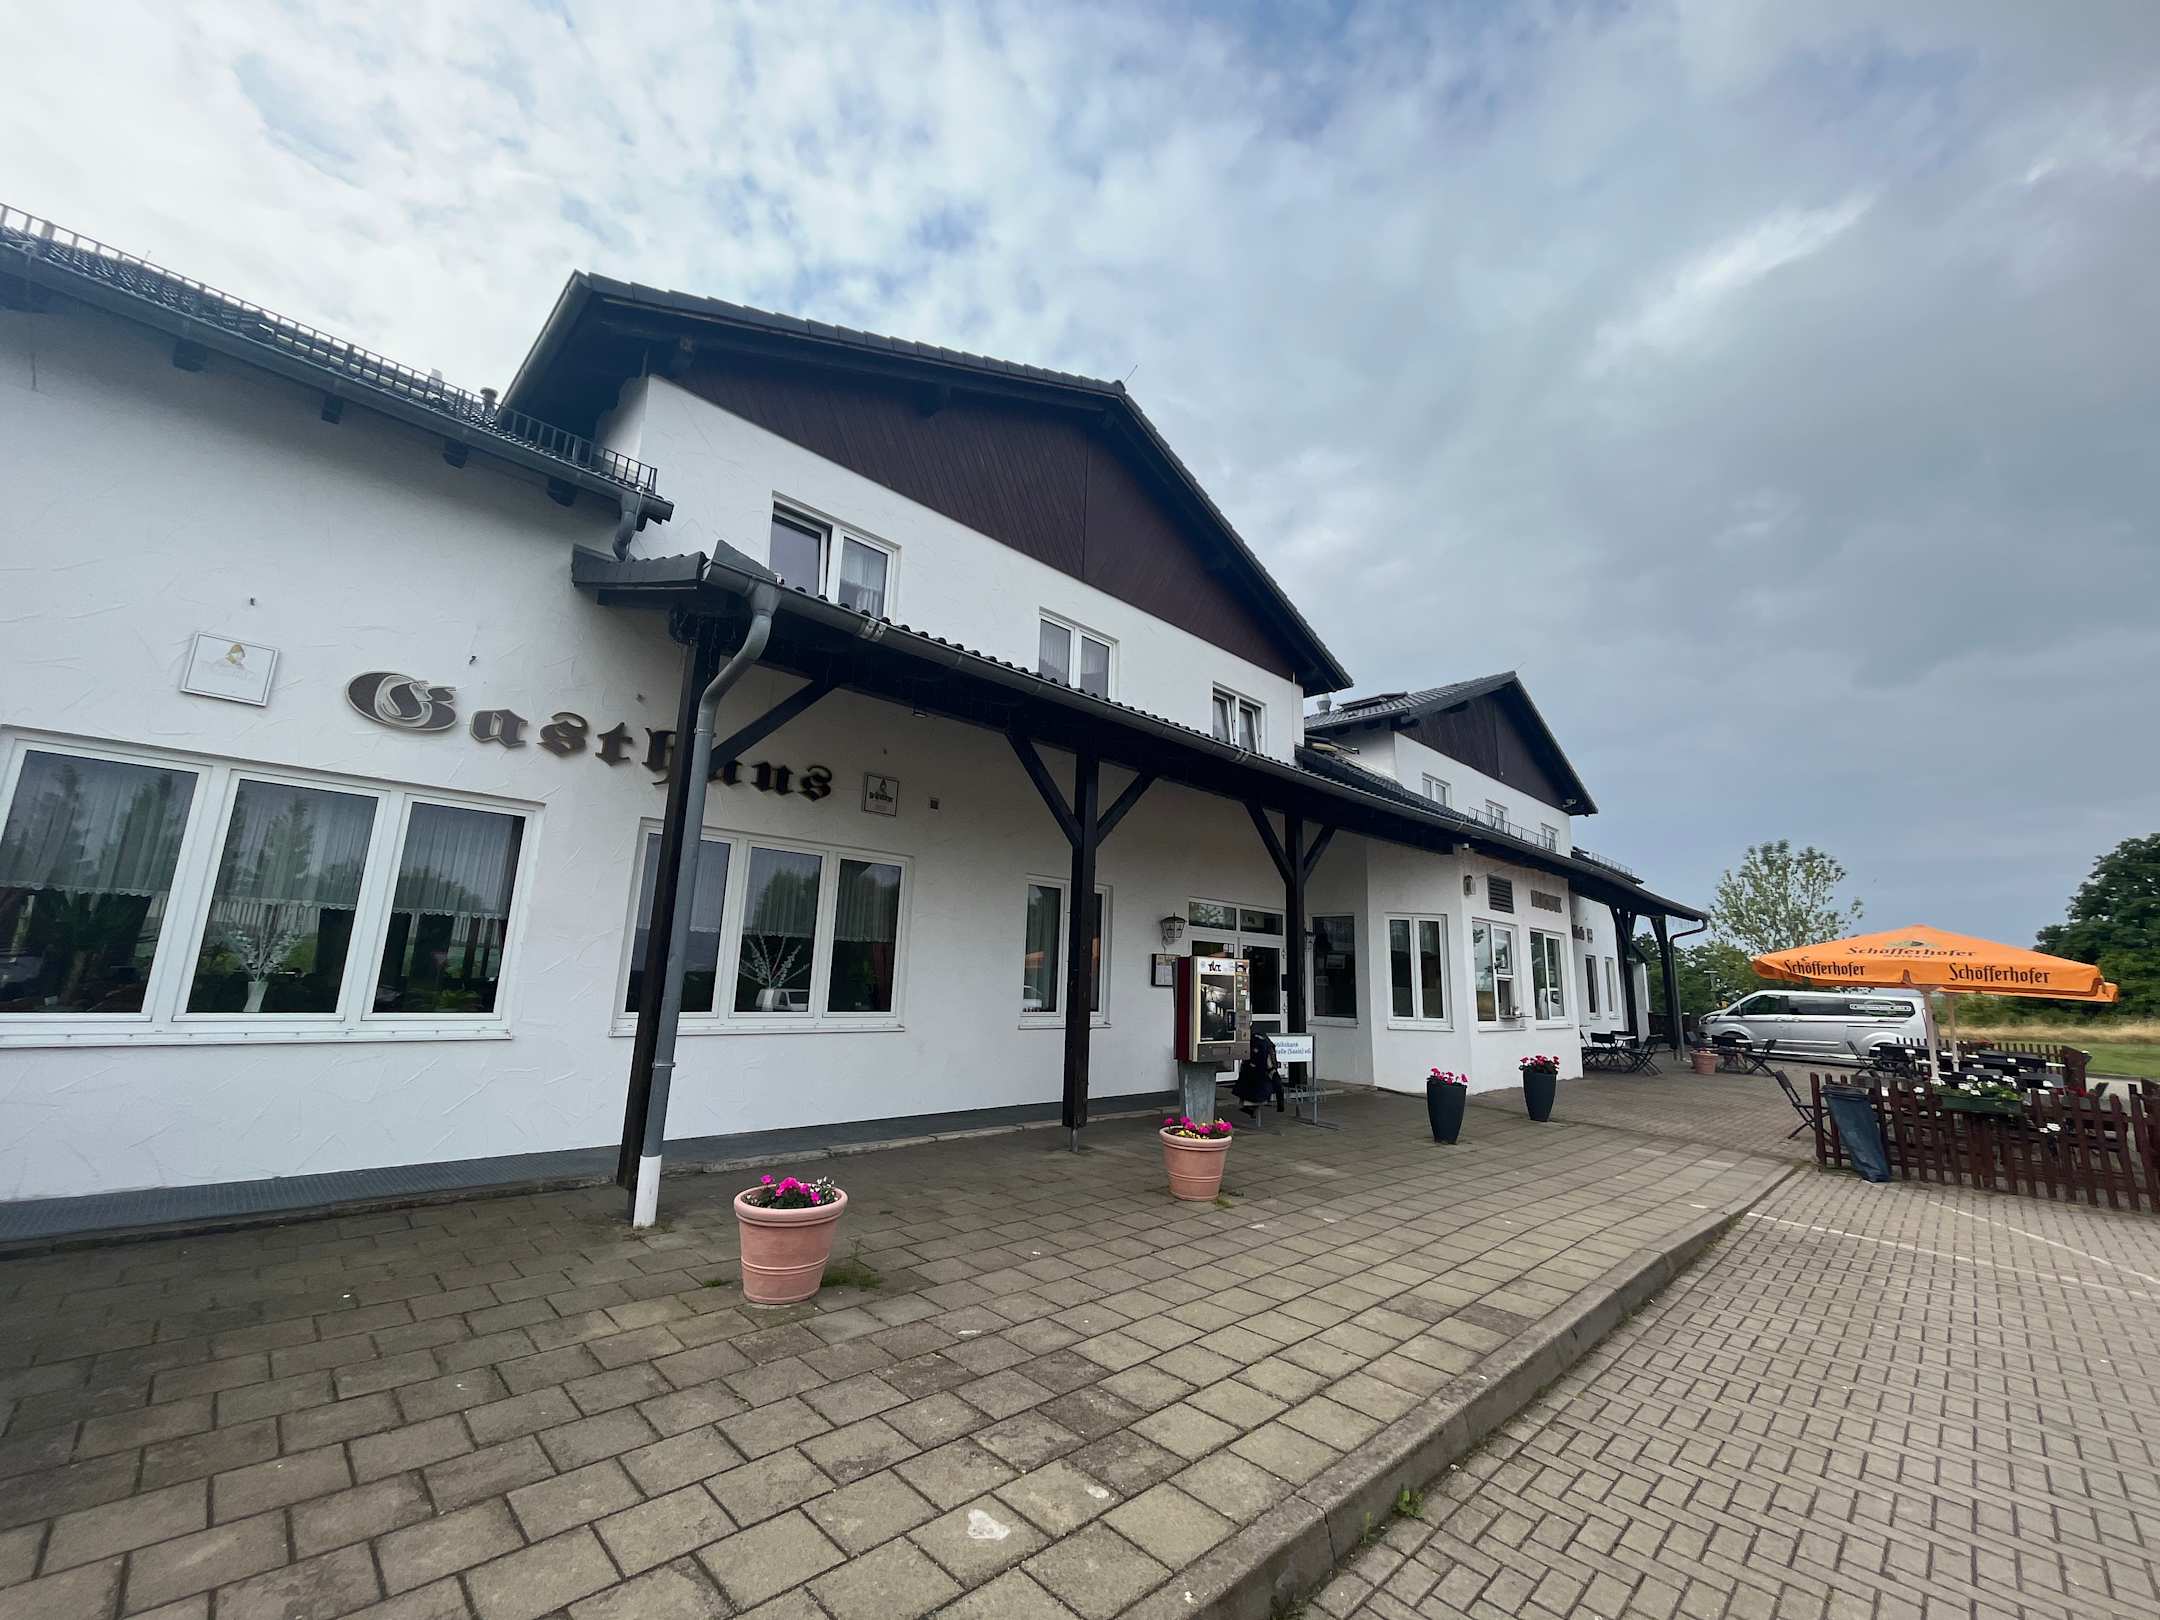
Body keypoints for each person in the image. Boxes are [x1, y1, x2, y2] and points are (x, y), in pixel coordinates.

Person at [1232, 1029, 1284, 1119]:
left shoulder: (1252, 1047)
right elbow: (1273, 1073)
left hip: (1247, 1091)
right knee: (1271, 1082)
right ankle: (1252, 1109)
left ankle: (1250, 1109)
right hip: (1261, 1092)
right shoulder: (1267, 1047)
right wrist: (1280, 1106)